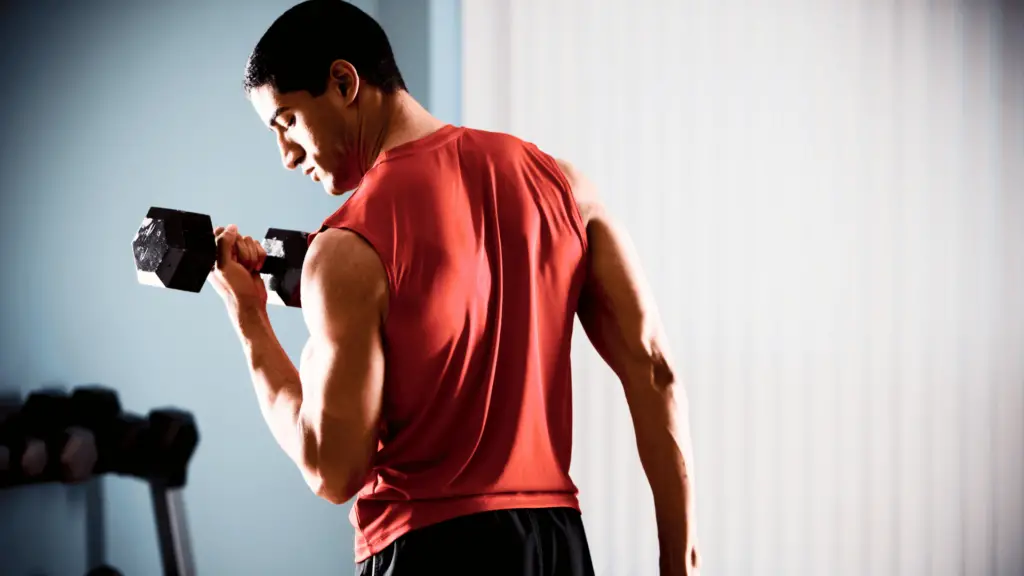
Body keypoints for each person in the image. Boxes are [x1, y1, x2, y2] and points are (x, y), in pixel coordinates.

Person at [211, 1, 700, 574]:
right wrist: (680, 564)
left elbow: (330, 469)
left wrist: (250, 320)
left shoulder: (345, 247)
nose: (287, 156)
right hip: (557, 544)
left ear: (343, 82)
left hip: (428, 549)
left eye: (287, 121)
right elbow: (655, 371)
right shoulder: (564, 186)